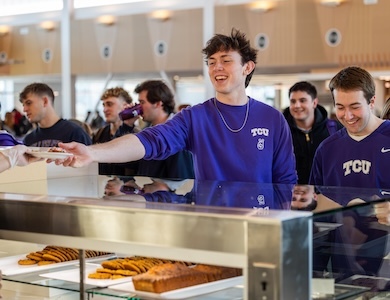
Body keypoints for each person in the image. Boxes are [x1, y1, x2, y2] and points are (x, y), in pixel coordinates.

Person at [52, 28, 297, 185]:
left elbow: (286, 180)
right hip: (214, 224)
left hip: (263, 225)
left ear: (247, 67)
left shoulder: (272, 119)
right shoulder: (195, 117)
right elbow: (149, 141)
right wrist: (92, 152)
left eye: (226, 61)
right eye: (211, 62)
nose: (217, 68)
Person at [309, 66, 390, 189]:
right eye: (340, 107)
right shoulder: (326, 149)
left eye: (355, 107)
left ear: (372, 102)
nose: (348, 116)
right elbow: (316, 201)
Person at [133, 80, 194, 179]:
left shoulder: (177, 134)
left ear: (158, 104)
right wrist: (127, 124)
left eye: (142, 102)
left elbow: (182, 180)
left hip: (166, 194)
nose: (138, 108)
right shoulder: (147, 131)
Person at [283, 81, 342, 184]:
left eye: (302, 100)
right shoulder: (281, 132)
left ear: (314, 103)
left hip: (327, 195)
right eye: (293, 101)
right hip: (294, 196)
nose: (297, 105)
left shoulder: (335, 129)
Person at [19, 83, 92, 147]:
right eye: (23, 105)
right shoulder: (28, 140)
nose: (24, 109)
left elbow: (90, 161)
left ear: (45, 101)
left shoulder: (75, 133)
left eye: (29, 103)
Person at [92, 87, 140, 176]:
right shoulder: (99, 134)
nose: (105, 109)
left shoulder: (136, 135)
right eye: (104, 105)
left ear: (125, 106)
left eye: (110, 104)